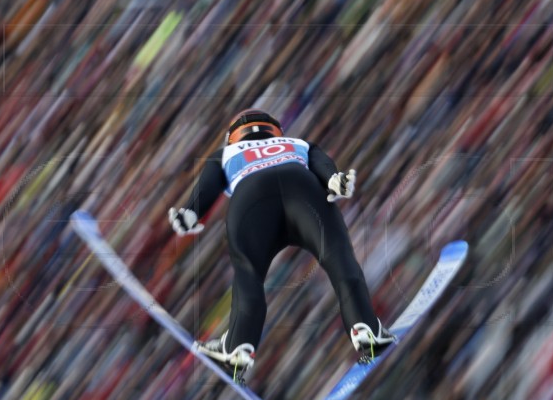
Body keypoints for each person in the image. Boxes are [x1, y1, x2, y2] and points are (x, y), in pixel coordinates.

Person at [168, 109, 395, 375]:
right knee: (338, 258)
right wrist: (333, 179)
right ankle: (365, 327)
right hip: (303, 189)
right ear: (275, 131)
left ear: (233, 137)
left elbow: (208, 185)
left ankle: (239, 346)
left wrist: (191, 211)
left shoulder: (225, 154)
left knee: (248, 275)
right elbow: (321, 163)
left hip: (251, 198)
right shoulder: (296, 143)